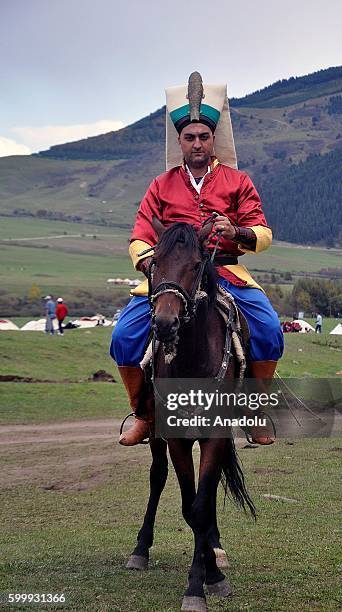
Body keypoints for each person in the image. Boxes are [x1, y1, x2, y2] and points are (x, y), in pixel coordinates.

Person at [110, 72, 284, 446]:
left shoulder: (239, 182)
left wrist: (236, 232)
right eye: (190, 137)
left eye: (204, 136)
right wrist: (153, 265)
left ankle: (254, 410)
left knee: (269, 330)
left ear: (213, 139)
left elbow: (264, 233)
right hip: (172, 277)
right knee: (124, 337)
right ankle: (145, 414)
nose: (197, 143)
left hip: (226, 271)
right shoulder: (161, 184)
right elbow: (140, 235)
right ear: (180, 141)